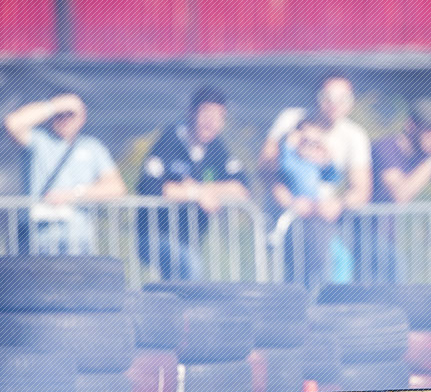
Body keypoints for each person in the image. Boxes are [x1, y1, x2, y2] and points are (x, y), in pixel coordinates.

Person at [135, 86, 251, 278]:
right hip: (155, 236)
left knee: (178, 282)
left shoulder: (217, 148)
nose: (212, 122)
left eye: (219, 117)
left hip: (190, 241)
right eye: (207, 113)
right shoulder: (170, 140)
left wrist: (201, 190)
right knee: (191, 268)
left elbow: (241, 188)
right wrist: (195, 194)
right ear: (192, 112)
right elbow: (151, 188)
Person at [3, 90, 126, 254]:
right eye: (60, 115)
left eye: (70, 114)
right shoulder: (38, 141)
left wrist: (74, 194)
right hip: (37, 242)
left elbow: (116, 187)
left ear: (82, 117)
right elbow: (13, 123)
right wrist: (55, 105)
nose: (65, 119)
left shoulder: (93, 147)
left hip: (78, 242)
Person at [259, 73, 373, 211]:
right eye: (327, 96)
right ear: (317, 97)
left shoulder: (356, 135)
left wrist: (336, 205)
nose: (334, 103)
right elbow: (265, 164)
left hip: (323, 220)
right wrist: (286, 200)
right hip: (279, 216)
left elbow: (361, 190)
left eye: (343, 98)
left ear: (352, 101)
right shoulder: (290, 119)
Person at [271, 116, 355, 285]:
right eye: (306, 140)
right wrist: (292, 141)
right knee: (305, 266)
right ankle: (312, 294)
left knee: (331, 259)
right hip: (300, 220)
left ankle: (330, 293)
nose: (310, 145)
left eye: (314, 142)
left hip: (316, 216)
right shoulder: (292, 159)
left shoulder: (313, 162)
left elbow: (334, 177)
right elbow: (285, 161)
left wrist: (326, 157)